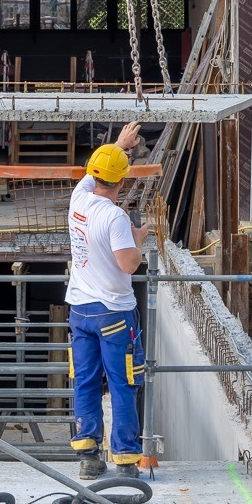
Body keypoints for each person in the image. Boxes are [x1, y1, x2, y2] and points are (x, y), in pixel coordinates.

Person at [66, 120, 151, 481]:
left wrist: (119, 145)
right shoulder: (115, 217)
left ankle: (88, 457)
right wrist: (138, 239)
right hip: (114, 312)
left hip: (80, 310)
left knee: (85, 380)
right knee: (123, 383)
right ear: (122, 182)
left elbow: (94, 172)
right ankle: (126, 460)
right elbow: (128, 264)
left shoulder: (79, 198)